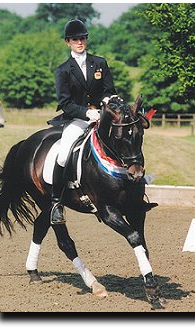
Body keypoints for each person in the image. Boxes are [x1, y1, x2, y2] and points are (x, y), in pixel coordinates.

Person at [50, 19, 117, 225]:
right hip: (77, 120)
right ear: (68, 42)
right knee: (62, 156)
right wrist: (87, 113)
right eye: (75, 39)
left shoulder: (99, 63)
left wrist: (106, 104)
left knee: (124, 141)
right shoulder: (63, 70)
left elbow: (109, 91)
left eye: (83, 38)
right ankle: (56, 203)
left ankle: (134, 187)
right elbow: (65, 103)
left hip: (102, 119)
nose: (80, 42)